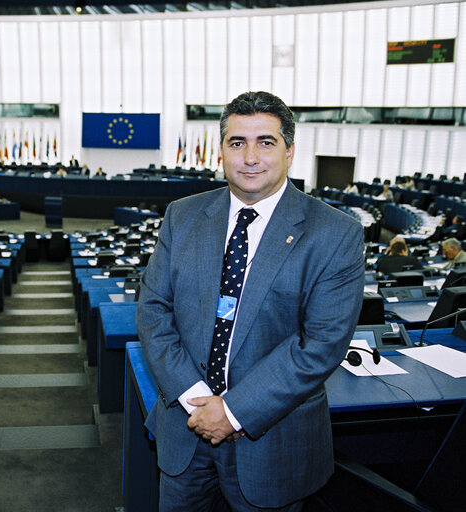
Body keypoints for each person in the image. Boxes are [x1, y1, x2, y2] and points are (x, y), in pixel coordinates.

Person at [135, 91, 365, 511]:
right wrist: (194, 396)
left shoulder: (336, 233)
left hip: (272, 441)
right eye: (237, 142)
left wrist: (233, 411)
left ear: (290, 150)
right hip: (185, 428)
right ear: (221, 150)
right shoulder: (181, 215)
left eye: (266, 142)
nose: (250, 157)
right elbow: (153, 309)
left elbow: (321, 345)